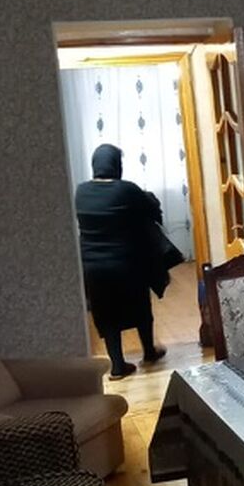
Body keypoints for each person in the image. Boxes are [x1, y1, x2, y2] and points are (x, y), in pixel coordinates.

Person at [75, 143, 168, 379]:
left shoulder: (81, 191)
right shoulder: (127, 190)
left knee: (106, 314)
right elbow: (152, 208)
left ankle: (117, 366)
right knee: (141, 308)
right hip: (127, 263)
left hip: (93, 266)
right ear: (116, 165)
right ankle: (149, 352)